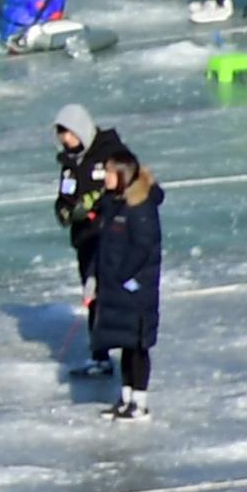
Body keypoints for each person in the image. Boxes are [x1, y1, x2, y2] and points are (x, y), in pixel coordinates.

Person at [84, 144, 162, 418]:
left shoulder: (140, 207)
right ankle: (126, 397)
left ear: (123, 174)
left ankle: (139, 402)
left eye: (108, 171)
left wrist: (122, 276)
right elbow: (103, 246)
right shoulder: (112, 204)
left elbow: (143, 247)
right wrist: (95, 276)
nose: (104, 176)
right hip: (116, 289)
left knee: (137, 346)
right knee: (125, 345)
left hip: (135, 291)